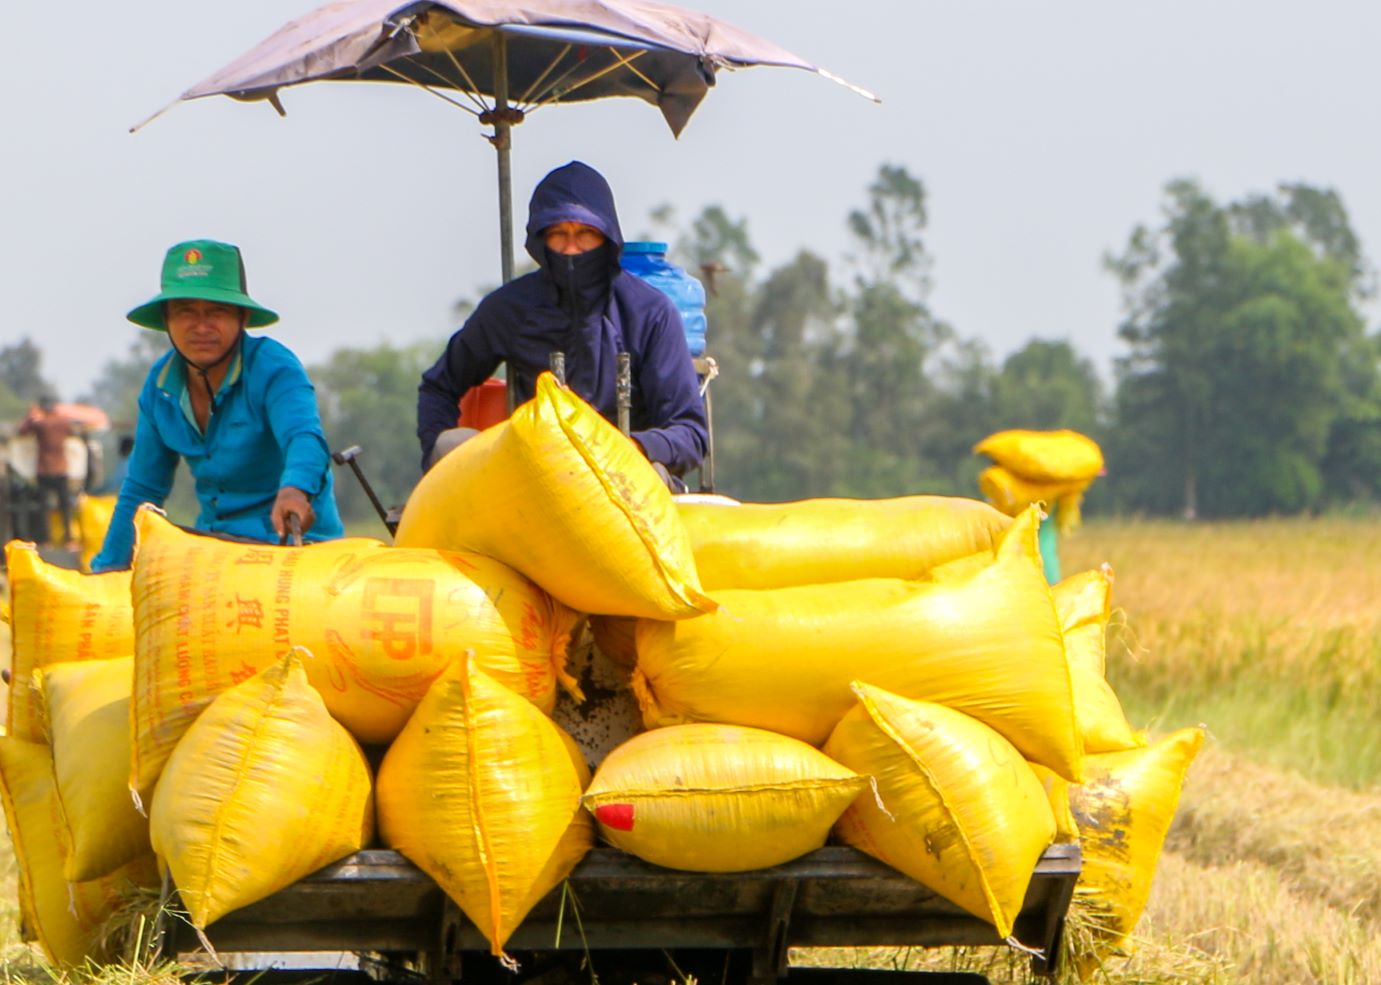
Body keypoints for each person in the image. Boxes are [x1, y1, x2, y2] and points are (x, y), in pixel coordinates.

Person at [417, 161, 708, 484]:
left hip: (627, 478)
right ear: (542, 240)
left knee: (650, 475)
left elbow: (691, 433)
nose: (571, 248)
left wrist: (633, 446)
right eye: (559, 234)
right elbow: (439, 386)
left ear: (607, 237)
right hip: (536, 476)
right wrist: (434, 457)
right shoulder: (511, 307)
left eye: (585, 234)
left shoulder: (650, 312)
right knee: (450, 446)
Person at [90, 239, 343, 572]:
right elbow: (143, 489)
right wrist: (105, 572)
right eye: (185, 312)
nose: (201, 326)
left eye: (216, 311)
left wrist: (294, 489)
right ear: (166, 319)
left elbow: (304, 437)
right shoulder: (160, 387)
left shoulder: (275, 368)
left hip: (294, 548)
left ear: (243, 316)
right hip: (215, 550)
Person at [18, 393, 77, 549]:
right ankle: (69, 539)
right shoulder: (62, 422)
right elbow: (74, 432)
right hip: (61, 469)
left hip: (44, 470)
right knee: (64, 507)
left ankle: (46, 541)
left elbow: (22, 430)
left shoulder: (40, 424)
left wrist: (31, 414)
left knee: (43, 508)